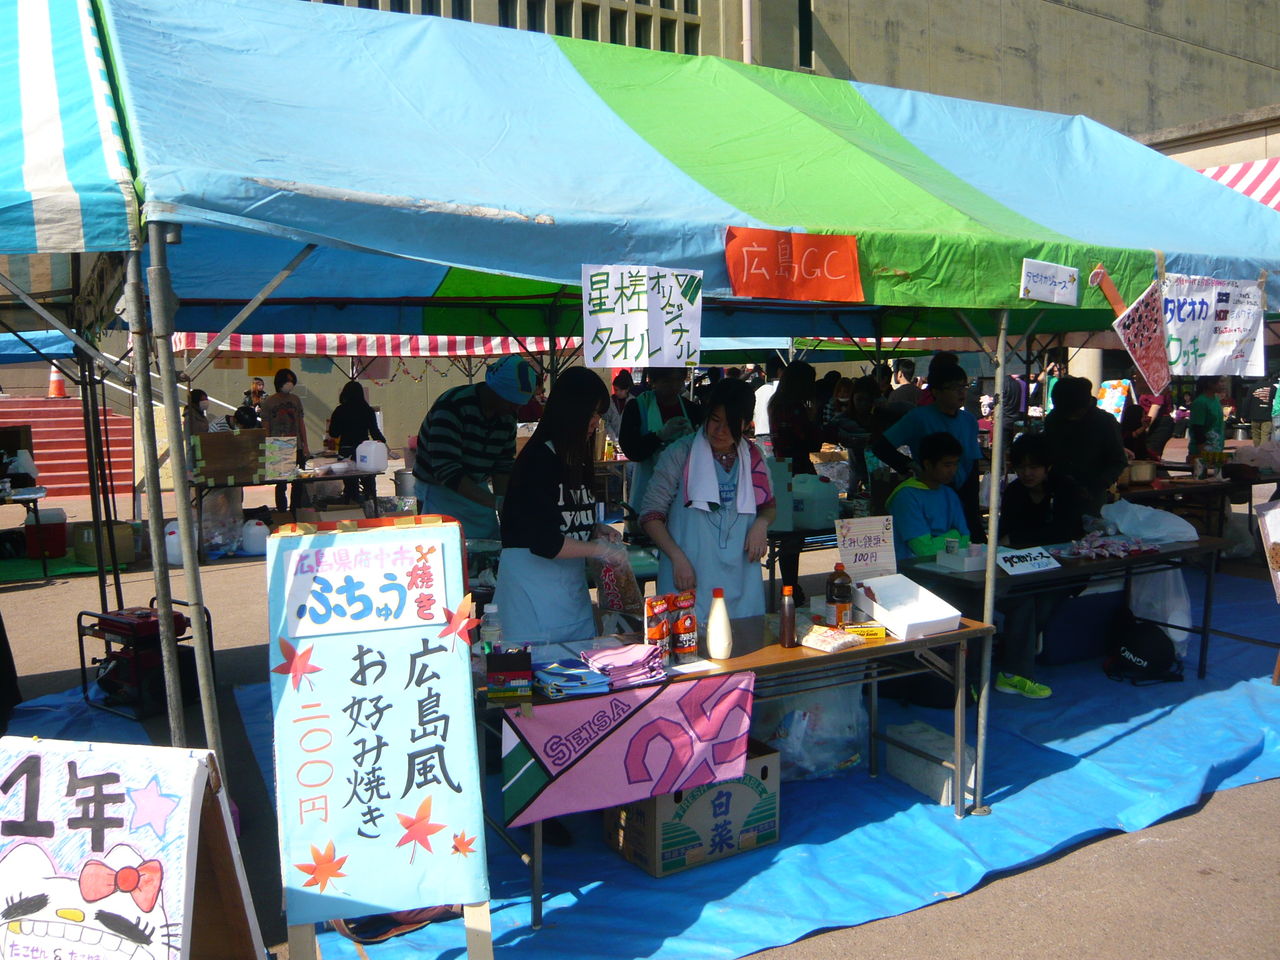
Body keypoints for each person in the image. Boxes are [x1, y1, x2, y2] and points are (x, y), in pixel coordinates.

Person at [496, 368, 625, 648]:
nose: (595, 422)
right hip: (530, 600)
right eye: (591, 414)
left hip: (570, 598)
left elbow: (563, 517)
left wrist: (594, 528)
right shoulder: (538, 460)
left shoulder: (576, 458)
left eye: (599, 415)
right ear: (570, 411)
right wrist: (599, 550)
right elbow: (546, 542)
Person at [641, 378, 776, 624]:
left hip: (742, 580)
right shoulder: (680, 453)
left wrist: (761, 525)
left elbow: (768, 506)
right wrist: (677, 557)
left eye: (731, 424)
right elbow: (651, 515)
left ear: (746, 424)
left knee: (745, 640)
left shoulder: (753, 456)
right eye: (715, 420)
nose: (720, 430)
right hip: (688, 576)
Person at [991, 433, 1088, 700]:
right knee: (1023, 599)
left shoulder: (1066, 489)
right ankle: (1013, 668)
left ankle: (1013, 665)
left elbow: (1065, 531)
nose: (1027, 473)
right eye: (1021, 467)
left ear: (1048, 467)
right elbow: (1005, 533)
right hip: (1023, 567)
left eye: (1033, 467)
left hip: (1065, 568)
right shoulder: (1014, 492)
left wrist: (1020, 538)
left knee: (1041, 601)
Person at [413, 355, 535, 539]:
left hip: (475, 486)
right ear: (495, 391)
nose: (515, 410)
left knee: (488, 541)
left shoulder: (507, 418)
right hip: (439, 489)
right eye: (511, 403)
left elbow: (502, 468)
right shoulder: (452, 406)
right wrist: (495, 502)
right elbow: (446, 470)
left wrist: (505, 509)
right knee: (450, 543)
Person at [873, 363, 984, 540]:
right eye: (954, 388)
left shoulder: (969, 420)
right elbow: (881, 447)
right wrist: (910, 466)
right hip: (929, 493)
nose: (961, 392)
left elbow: (972, 463)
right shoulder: (918, 417)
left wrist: (972, 510)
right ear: (936, 391)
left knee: (970, 541)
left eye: (964, 386)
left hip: (964, 495)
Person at [619, 367, 702, 519]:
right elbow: (632, 451)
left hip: (684, 492)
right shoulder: (637, 407)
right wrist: (659, 436)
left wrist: (694, 439)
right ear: (653, 381)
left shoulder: (692, 410)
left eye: (678, 380)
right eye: (667, 381)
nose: (674, 386)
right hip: (648, 487)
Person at [1043, 376, 1127, 515]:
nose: (1069, 417)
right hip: (1059, 492)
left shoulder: (1105, 422)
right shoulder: (1054, 419)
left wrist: (1098, 485)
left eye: (1074, 413)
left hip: (1092, 497)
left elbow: (1118, 461)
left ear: (1085, 405)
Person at [887, 432, 969, 559]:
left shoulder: (950, 494)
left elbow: (966, 539)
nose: (953, 470)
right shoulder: (906, 497)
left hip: (948, 565)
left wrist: (939, 542)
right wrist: (954, 535)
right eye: (947, 465)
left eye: (955, 464)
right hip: (910, 568)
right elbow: (924, 550)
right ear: (928, 464)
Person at [259, 369, 310, 512]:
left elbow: (301, 423)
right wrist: (268, 447)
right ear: (280, 382)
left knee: (298, 482)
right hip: (278, 445)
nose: (290, 384)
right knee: (281, 483)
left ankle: (295, 509)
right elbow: (266, 426)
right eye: (288, 380)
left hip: (297, 445)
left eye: (292, 381)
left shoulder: (295, 400)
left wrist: (305, 445)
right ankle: (282, 511)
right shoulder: (269, 402)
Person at [329, 380, 386, 503]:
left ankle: (353, 506)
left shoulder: (340, 410)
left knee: (350, 484)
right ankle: (371, 505)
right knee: (368, 482)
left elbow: (333, 433)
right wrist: (384, 444)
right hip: (365, 451)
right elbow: (375, 432)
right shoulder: (367, 410)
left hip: (346, 451)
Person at [1187, 375, 1226, 464]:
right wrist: (1202, 452)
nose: (1223, 384)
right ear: (1210, 384)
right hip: (1201, 452)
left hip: (1216, 450)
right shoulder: (1200, 402)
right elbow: (1197, 428)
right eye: (1221, 381)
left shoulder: (1216, 399)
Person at [751, 355, 785, 444]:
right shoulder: (779, 390)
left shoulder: (758, 391)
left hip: (759, 435)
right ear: (780, 371)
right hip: (774, 434)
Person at [1241, 373, 1275, 446]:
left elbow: (1247, 401)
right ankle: (1263, 451)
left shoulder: (1253, 387)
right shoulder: (1273, 388)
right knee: (1265, 435)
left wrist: (1243, 414)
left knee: (1255, 435)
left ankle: (1257, 450)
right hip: (1267, 416)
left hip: (1254, 415)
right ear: (1269, 379)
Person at [603, 369, 633, 442]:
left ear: (627, 389)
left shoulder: (633, 402)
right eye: (616, 390)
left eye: (621, 390)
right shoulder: (610, 401)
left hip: (629, 440)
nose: (618, 393)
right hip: (612, 439)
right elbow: (605, 421)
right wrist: (612, 436)